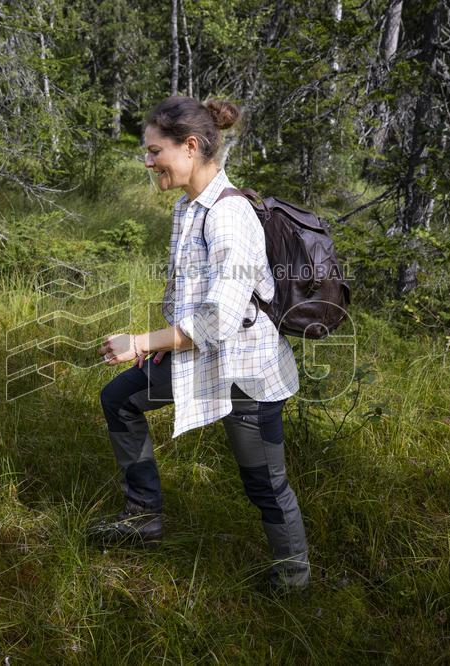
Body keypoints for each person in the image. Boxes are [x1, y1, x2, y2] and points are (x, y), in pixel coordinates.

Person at [93, 96, 310, 593]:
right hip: (200, 360)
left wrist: (141, 341)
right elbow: (195, 302)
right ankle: (142, 518)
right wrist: (166, 343)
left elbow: (220, 318)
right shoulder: (190, 208)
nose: (147, 163)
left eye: (154, 151)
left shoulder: (228, 217)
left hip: (246, 375)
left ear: (190, 147)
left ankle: (294, 580)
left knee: (265, 484)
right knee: (119, 399)